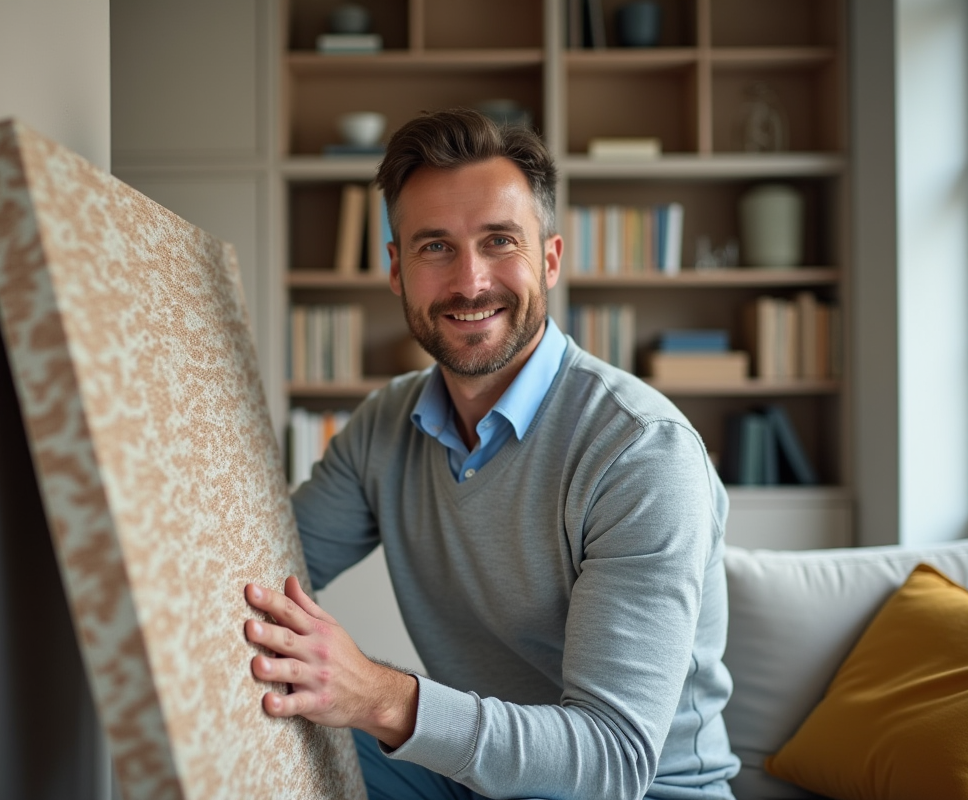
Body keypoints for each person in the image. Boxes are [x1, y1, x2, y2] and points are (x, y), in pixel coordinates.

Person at [243, 108, 740, 800]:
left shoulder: (640, 453)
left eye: (499, 241)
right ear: (396, 268)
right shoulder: (385, 426)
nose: (470, 282)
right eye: (435, 247)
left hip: (642, 793)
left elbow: (614, 760)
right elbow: (258, 577)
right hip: (474, 780)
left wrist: (383, 697)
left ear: (551, 259)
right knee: (270, 715)